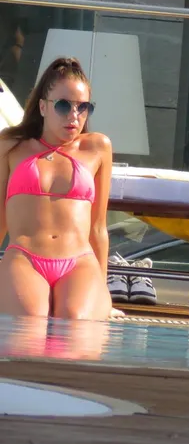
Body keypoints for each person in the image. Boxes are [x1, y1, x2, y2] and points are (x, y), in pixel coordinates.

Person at [0, 56, 115, 320]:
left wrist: (102, 290)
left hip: (79, 261)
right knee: (29, 320)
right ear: (43, 107)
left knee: (76, 321)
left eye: (83, 107)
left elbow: (98, 227)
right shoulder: (11, 145)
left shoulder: (98, 148)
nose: (74, 116)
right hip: (24, 257)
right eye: (64, 106)